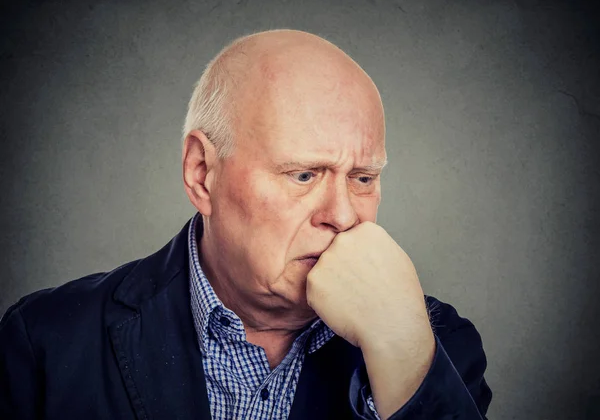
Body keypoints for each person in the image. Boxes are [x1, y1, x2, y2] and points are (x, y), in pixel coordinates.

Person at [0, 29, 492, 420]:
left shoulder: (439, 345)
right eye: (303, 174)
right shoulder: (45, 342)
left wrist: (399, 349)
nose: (343, 216)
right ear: (202, 174)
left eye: (363, 178)